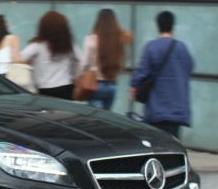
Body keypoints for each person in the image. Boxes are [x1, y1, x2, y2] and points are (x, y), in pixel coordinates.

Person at [130, 10, 194, 138]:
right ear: (173, 26)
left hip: (157, 107)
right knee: (174, 144)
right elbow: (189, 69)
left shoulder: (151, 47)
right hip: (177, 107)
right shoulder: (182, 48)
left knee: (158, 144)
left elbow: (141, 73)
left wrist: (133, 90)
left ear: (157, 27)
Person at [20, 10, 81, 99]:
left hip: (45, 89)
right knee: (66, 113)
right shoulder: (69, 44)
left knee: (47, 113)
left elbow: (21, 57)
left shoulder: (38, 45)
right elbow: (81, 60)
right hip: (66, 86)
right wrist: (75, 77)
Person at [80, 8, 130, 111]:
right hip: (112, 85)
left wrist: (79, 77)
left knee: (97, 122)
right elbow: (123, 59)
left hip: (95, 85)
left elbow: (84, 63)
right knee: (107, 119)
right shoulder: (118, 41)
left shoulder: (91, 39)